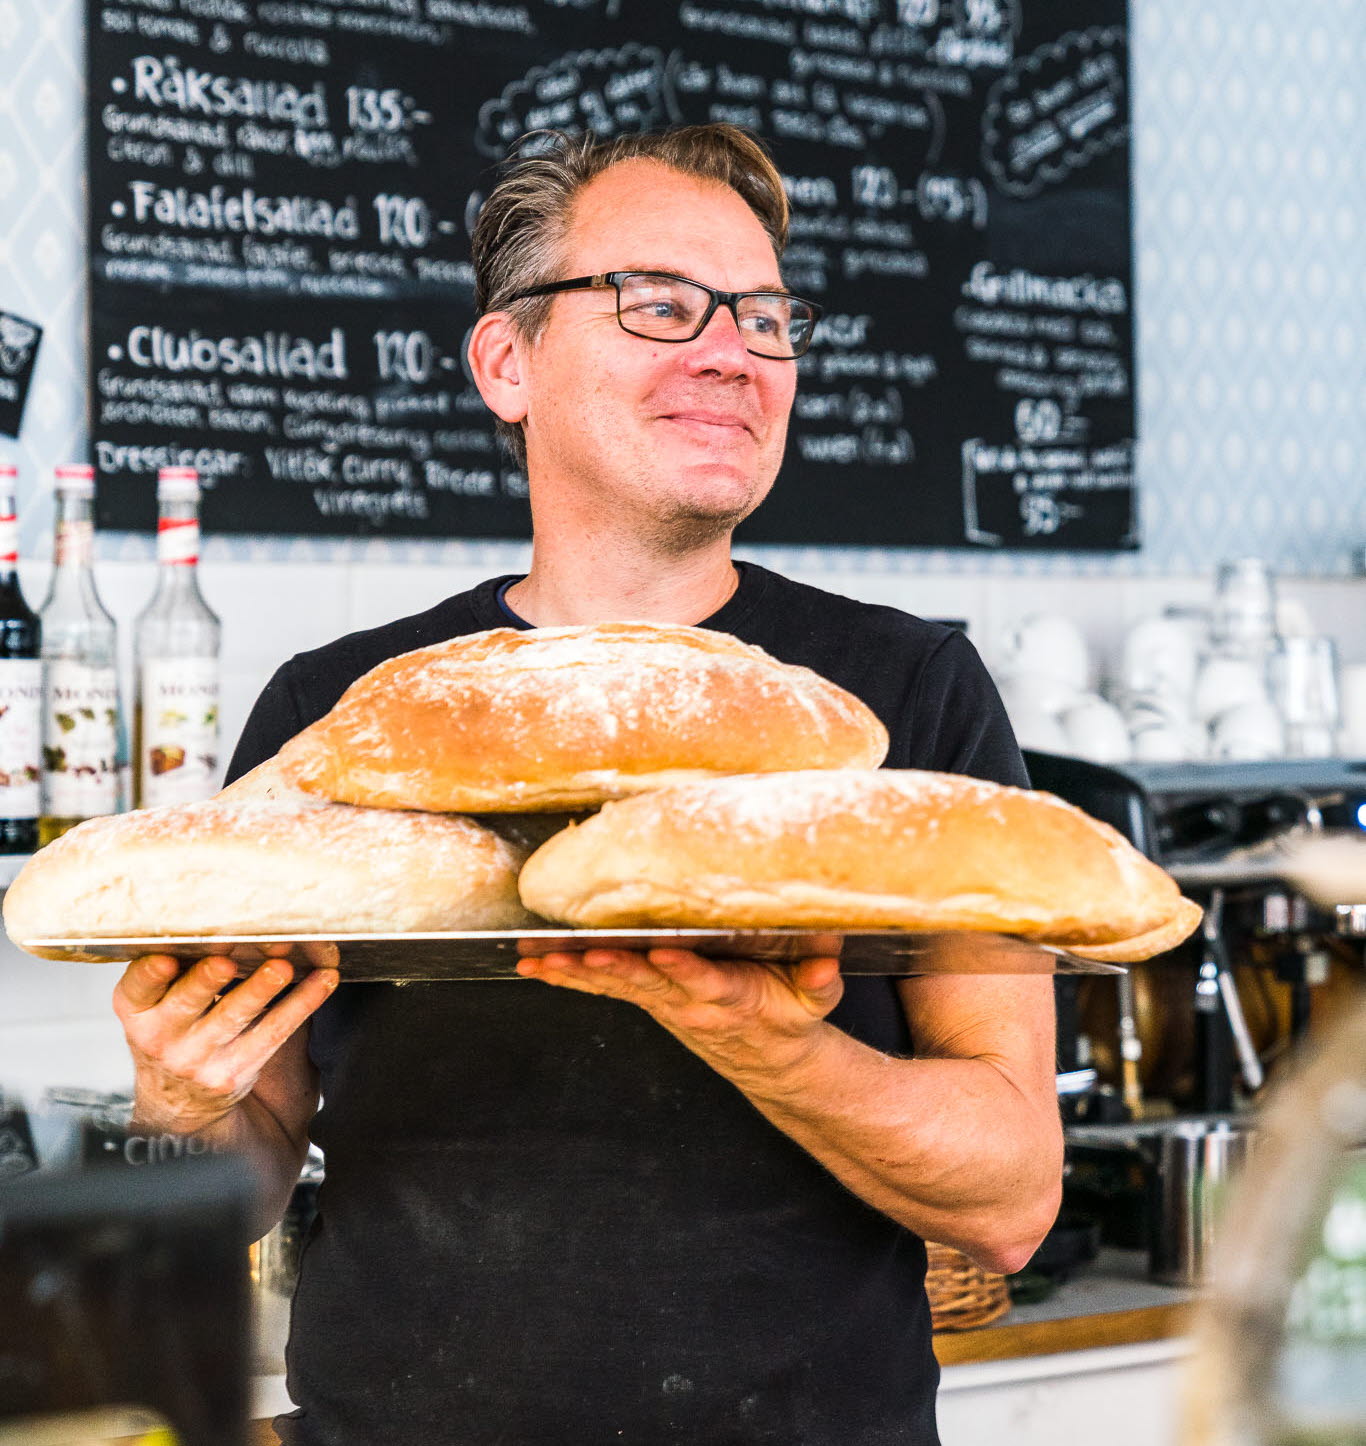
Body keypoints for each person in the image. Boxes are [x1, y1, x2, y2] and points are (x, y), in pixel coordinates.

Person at [113, 125, 1063, 1445]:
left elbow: (1010, 1192)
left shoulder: (901, 697)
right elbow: (249, 1167)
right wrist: (181, 1099)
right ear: (508, 361)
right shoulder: (348, 718)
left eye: (765, 318)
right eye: (660, 304)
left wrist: (776, 1047)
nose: (731, 351)